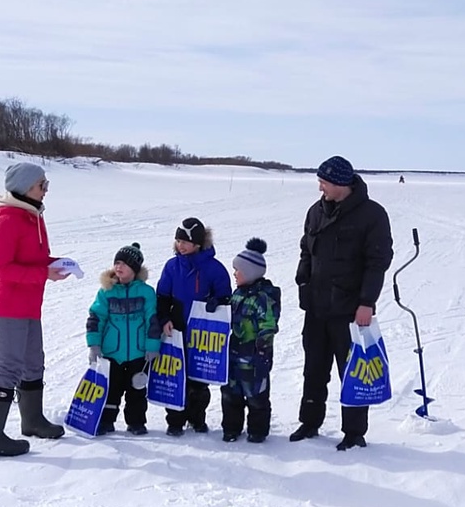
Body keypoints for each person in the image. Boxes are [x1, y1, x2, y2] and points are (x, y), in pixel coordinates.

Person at [291, 156, 393, 451]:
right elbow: (305, 251)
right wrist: (303, 283)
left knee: (352, 372)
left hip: (350, 311)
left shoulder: (372, 215)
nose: (320, 187)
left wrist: (367, 302)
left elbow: (378, 262)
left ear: (340, 184)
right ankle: (310, 422)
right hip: (317, 307)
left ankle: (354, 432)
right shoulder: (316, 211)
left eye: (324, 182)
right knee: (313, 368)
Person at [0, 162, 69, 459]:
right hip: (9, 307)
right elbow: (3, 268)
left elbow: (32, 259)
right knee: (8, 369)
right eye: (42, 185)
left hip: (30, 304)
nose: (46, 190)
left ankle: (32, 421)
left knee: (33, 364)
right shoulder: (8, 220)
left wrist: (54, 264)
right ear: (26, 187)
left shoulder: (32, 216)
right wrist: (44, 274)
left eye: (46, 185)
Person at [156, 217, 232, 436]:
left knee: (199, 381)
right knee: (174, 376)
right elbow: (162, 296)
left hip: (203, 334)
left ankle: (197, 418)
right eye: (178, 240)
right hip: (177, 328)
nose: (180, 245)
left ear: (198, 244)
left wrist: (217, 302)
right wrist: (164, 319)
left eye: (185, 242)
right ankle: (175, 421)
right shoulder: (172, 266)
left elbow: (225, 296)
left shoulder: (214, 268)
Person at [85, 243, 160, 436]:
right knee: (111, 389)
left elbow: (152, 320)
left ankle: (136, 422)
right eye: (116, 262)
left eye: (124, 264)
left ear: (134, 269)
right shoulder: (106, 292)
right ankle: (106, 421)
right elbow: (96, 318)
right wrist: (94, 345)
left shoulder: (146, 292)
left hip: (138, 352)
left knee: (136, 389)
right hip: (112, 352)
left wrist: (152, 346)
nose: (119, 267)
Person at [221, 238, 281, 444]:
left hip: (254, 357)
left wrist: (262, 350)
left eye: (238, 270)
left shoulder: (263, 298)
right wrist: (217, 306)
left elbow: (269, 325)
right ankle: (231, 428)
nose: (235, 274)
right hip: (234, 354)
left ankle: (257, 430)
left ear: (250, 272)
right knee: (231, 392)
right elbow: (228, 312)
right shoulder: (237, 294)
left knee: (256, 395)